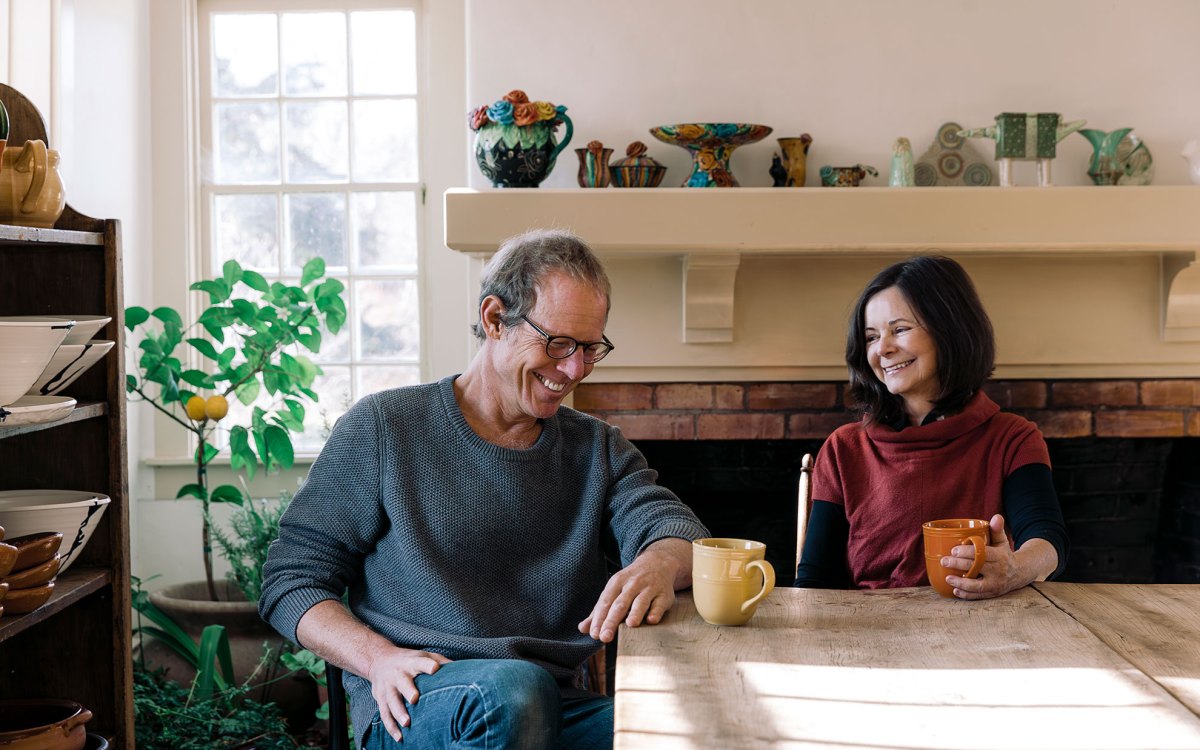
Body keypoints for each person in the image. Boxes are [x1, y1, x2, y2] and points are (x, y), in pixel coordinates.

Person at [259, 229, 709, 750]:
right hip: (415, 703)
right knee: (514, 692)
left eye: (590, 348)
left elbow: (681, 537)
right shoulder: (385, 427)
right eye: (559, 342)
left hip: (555, 709)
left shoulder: (597, 449)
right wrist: (377, 658)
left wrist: (657, 564)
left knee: (677, 729)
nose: (575, 369)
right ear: (495, 319)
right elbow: (290, 581)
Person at [794, 255, 1068, 599]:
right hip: (869, 638)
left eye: (900, 329)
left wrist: (1014, 569)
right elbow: (816, 581)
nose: (883, 349)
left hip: (983, 635)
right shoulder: (844, 448)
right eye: (871, 337)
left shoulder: (1012, 438)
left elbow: (1047, 541)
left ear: (949, 329)